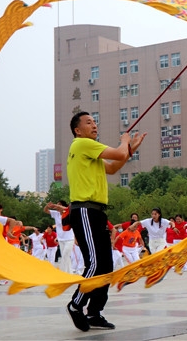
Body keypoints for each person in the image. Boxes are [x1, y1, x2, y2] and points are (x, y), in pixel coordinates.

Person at [65, 110, 146, 332]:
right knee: (95, 263)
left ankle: (94, 312)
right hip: (84, 210)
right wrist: (125, 142)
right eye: (88, 122)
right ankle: (76, 304)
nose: (94, 125)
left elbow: (112, 167)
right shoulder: (82, 144)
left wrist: (130, 149)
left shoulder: (90, 153)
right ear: (77, 130)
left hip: (96, 212)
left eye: (95, 122)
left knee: (106, 265)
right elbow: (118, 155)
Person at [44, 200, 76, 273]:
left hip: (69, 238)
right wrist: (47, 206)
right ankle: (69, 272)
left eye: (59, 205)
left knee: (65, 255)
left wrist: (56, 205)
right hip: (61, 239)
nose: (56, 207)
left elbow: (67, 208)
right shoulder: (56, 214)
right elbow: (45, 210)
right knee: (65, 256)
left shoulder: (67, 213)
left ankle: (63, 272)